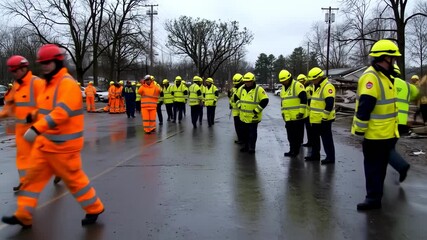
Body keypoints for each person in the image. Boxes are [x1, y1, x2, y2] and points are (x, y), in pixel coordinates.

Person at [2, 44, 104, 228]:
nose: (44, 66)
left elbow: (60, 112)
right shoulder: (48, 84)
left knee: (75, 182)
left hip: (64, 148)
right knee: (31, 180)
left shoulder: (67, 84)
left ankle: (94, 208)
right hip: (45, 146)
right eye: (42, 63)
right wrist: (31, 117)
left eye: (47, 63)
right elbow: (43, 110)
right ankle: (23, 215)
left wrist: (36, 128)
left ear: (57, 61)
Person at [351, 39, 401, 211]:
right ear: (385, 57)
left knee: (379, 168)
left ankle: (376, 196)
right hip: (374, 134)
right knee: (373, 168)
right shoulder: (371, 77)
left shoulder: (386, 76)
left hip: (387, 133)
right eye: (393, 58)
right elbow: (365, 105)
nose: (394, 61)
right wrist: (360, 131)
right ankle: (372, 198)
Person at [0, 55, 44, 192]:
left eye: (15, 70)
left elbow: (46, 105)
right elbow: (9, 107)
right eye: (12, 71)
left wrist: (34, 115)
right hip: (21, 129)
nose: (14, 74)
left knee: (46, 155)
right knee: (22, 157)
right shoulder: (16, 86)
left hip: (37, 127)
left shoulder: (37, 83)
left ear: (24, 68)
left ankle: (58, 172)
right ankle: (25, 182)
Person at [387, 65, 419, 182]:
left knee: (384, 149)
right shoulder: (407, 85)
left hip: (389, 120)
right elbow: (417, 94)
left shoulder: (386, 82)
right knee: (389, 147)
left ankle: (401, 166)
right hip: (401, 123)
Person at [304, 67, 336, 165]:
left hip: (324, 120)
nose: (313, 82)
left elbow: (329, 104)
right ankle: (315, 155)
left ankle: (330, 158)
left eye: (314, 79)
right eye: (312, 80)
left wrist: (324, 118)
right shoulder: (316, 86)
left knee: (327, 139)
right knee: (314, 139)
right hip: (315, 119)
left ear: (320, 77)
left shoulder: (327, 86)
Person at [234, 72, 269, 154]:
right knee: (244, 133)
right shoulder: (242, 88)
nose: (247, 83)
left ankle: (252, 148)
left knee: (252, 134)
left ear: (253, 81)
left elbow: (265, 100)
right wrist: (239, 105)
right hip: (243, 116)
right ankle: (246, 147)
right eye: (245, 81)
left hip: (253, 117)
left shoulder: (259, 89)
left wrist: (257, 110)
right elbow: (236, 96)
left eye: (249, 81)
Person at [278, 70, 308, 157]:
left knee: (297, 135)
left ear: (289, 78)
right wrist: (283, 113)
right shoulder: (283, 88)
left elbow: (304, 99)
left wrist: (301, 112)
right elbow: (283, 101)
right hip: (288, 116)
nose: (283, 82)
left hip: (297, 116)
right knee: (290, 135)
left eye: (284, 81)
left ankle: (296, 151)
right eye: (282, 81)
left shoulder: (297, 85)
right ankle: (291, 150)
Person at [298, 74, 314, 148]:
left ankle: (310, 142)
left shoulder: (307, 89)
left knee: (309, 128)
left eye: (301, 82)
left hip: (308, 112)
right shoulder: (307, 87)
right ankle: (309, 141)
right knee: (307, 128)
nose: (300, 83)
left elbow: (310, 100)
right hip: (307, 111)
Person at [228, 73, 244, 144]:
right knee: (237, 127)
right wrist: (230, 104)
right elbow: (231, 98)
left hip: (242, 111)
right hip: (235, 111)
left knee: (243, 127)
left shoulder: (243, 89)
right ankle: (240, 139)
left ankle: (244, 140)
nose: (235, 85)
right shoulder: (233, 89)